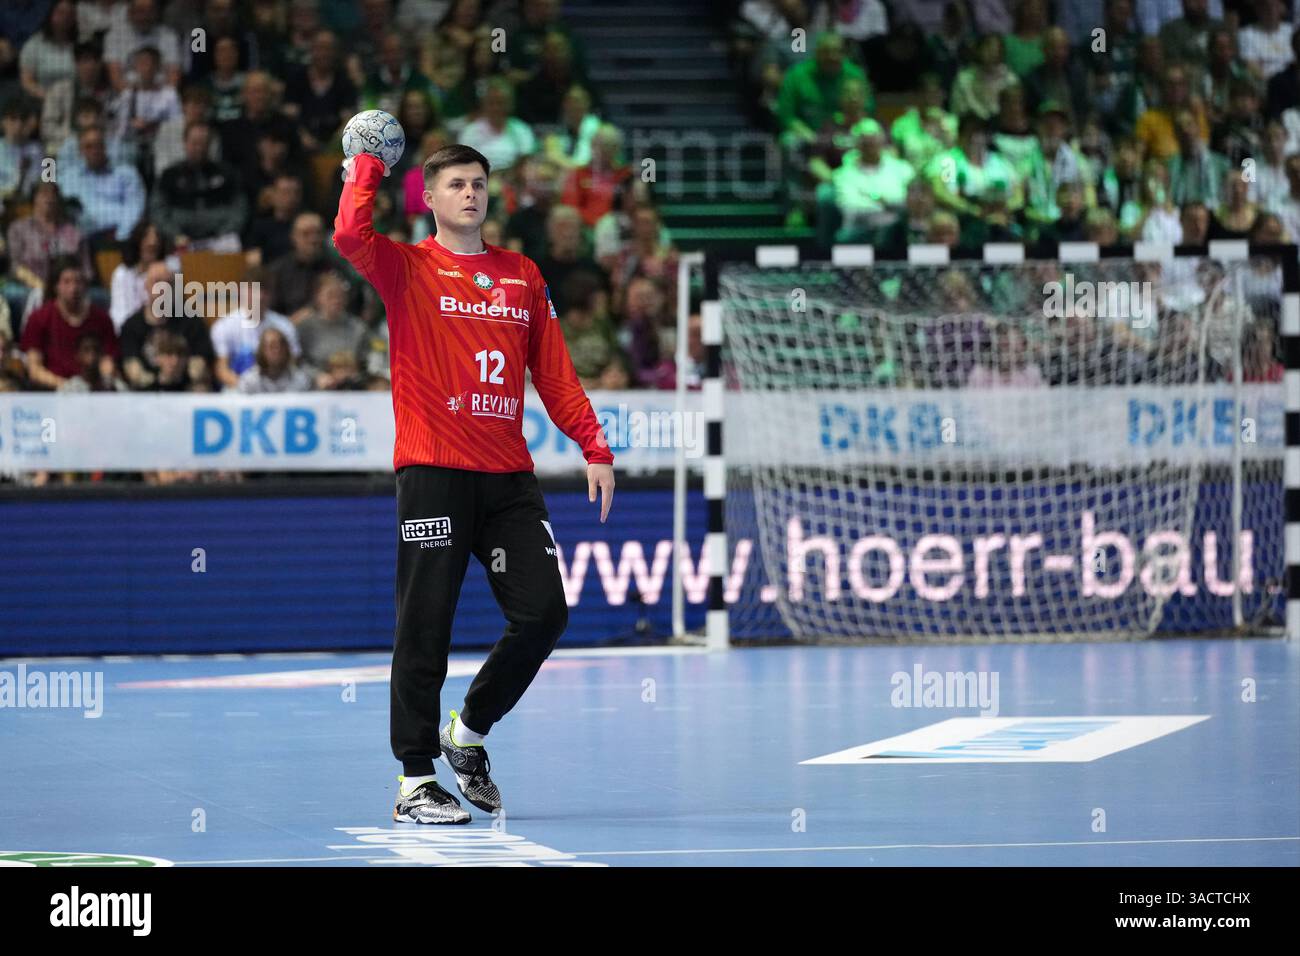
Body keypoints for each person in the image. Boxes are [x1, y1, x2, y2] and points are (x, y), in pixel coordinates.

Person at [334, 142, 615, 824]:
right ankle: (413, 782)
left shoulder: (522, 275)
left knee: (545, 613)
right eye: (455, 184)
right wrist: (367, 162)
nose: (470, 193)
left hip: (508, 477)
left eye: (479, 183)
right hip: (433, 471)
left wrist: (593, 443)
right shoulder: (406, 267)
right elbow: (348, 233)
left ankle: (468, 732)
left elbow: (553, 372)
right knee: (424, 624)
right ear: (427, 198)